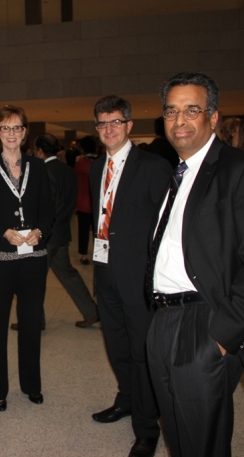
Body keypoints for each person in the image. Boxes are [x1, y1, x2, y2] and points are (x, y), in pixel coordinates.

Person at [147, 72, 244, 457]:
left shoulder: (242, 169)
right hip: (163, 319)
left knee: (203, 443)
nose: (179, 120)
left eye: (191, 110)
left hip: (204, 321)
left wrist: (220, 338)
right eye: (171, 111)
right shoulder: (177, 173)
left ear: (213, 118)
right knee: (179, 436)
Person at [89, 96, 171, 457]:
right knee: (116, 345)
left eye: (115, 122)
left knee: (141, 353)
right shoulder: (95, 168)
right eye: (102, 123)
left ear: (129, 125)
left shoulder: (153, 167)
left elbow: (165, 228)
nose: (109, 129)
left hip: (138, 277)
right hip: (104, 272)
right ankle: (126, 399)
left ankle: (147, 428)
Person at [0, 106, 55, 412]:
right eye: (6, 128)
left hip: (33, 258)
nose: (12, 134)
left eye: (17, 128)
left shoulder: (38, 167)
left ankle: (32, 384)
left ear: (25, 133)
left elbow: (49, 209)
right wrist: (3, 232)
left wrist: (40, 230)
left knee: (31, 323)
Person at [12, 133, 99, 329]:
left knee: (30, 278)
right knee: (68, 273)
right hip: (61, 232)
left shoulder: (42, 171)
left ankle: (33, 321)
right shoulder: (68, 170)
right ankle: (92, 312)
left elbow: (45, 207)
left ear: (40, 151)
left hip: (44, 235)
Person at [74, 135, 98, 265]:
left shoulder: (80, 164)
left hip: (83, 202)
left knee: (83, 230)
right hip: (98, 203)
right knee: (99, 231)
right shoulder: (101, 162)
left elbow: (76, 183)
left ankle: (84, 255)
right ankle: (100, 255)